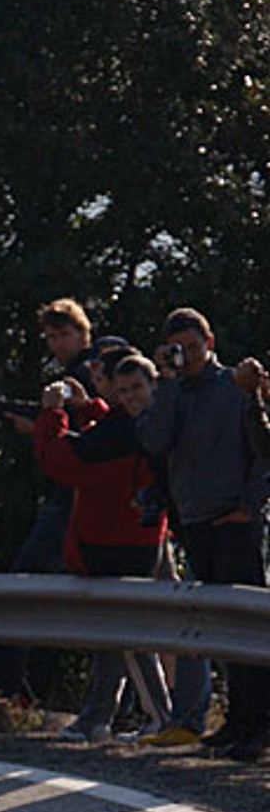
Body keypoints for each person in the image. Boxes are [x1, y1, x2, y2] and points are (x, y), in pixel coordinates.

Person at [135, 307, 270, 761]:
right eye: (180, 350)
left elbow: (261, 451)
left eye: (195, 347)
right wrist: (168, 381)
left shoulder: (235, 386)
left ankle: (259, 725)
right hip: (194, 521)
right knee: (219, 632)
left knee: (245, 627)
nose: (189, 356)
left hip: (234, 521)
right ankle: (237, 721)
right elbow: (153, 441)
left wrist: (248, 510)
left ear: (210, 342)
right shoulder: (175, 393)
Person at [30, 354, 172, 743]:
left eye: (133, 388)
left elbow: (63, 459)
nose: (127, 396)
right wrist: (89, 408)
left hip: (115, 543)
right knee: (118, 638)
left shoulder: (130, 431)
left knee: (127, 636)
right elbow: (111, 430)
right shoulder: (148, 422)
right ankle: (99, 717)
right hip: (142, 538)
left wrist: (52, 414)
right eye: (121, 389)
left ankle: (159, 716)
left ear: (152, 384)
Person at [0, 298, 99, 711]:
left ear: (83, 333)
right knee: (51, 596)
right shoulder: (77, 373)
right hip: (74, 499)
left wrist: (38, 425)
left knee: (27, 587)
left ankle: (6, 689)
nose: (57, 344)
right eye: (51, 337)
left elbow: (77, 437)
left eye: (63, 334)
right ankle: (28, 690)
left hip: (74, 501)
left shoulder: (85, 373)